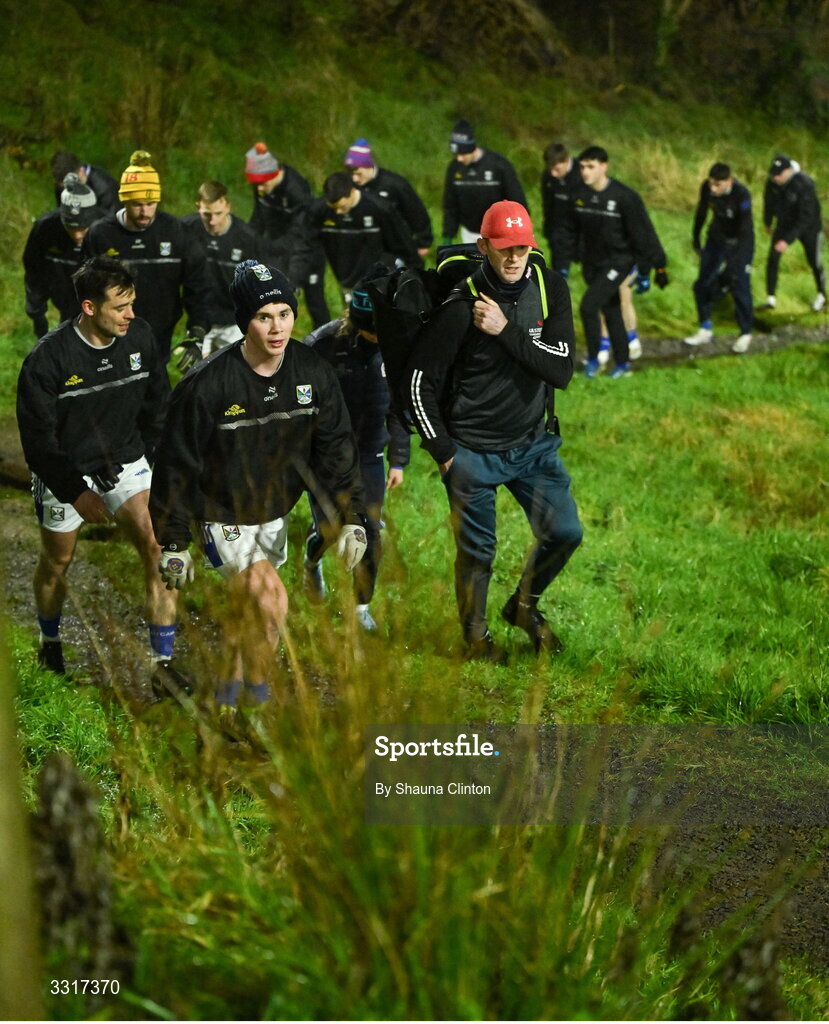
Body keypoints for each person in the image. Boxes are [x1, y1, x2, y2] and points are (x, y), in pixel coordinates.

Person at [149, 260, 367, 717]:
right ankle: (257, 705)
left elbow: (337, 452)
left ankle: (225, 697)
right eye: (263, 316)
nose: (277, 327)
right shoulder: (207, 385)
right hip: (221, 515)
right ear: (244, 321)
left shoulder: (312, 373)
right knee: (271, 600)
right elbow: (175, 464)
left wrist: (352, 519)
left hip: (273, 513)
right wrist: (173, 540)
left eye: (284, 314)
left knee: (250, 611)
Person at [405, 200, 581, 660]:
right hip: (471, 451)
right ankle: (475, 639)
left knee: (566, 532)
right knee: (478, 553)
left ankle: (524, 607)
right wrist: (445, 452)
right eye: (503, 248)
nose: (513, 257)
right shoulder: (461, 306)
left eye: (522, 247)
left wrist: (504, 330)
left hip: (531, 446)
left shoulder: (549, 289)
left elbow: (561, 370)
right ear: (483, 246)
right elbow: (418, 382)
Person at [16, 256, 181, 692]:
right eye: (120, 307)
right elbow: (38, 444)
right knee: (58, 561)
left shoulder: (141, 337)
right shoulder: (47, 361)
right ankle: (49, 641)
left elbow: (157, 410)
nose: (131, 315)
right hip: (66, 471)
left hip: (125, 460)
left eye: (132, 304)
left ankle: (162, 664)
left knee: (157, 546)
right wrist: (75, 492)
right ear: (89, 308)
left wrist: (158, 464)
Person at [301, 282, 410, 632]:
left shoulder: (398, 347)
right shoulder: (322, 345)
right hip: (325, 453)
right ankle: (311, 559)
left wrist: (398, 458)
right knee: (332, 529)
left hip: (368, 453)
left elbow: (400, 405)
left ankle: (361, 606)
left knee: (371, 533)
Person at [83, 151, 212, 363]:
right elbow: (85, 289)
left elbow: (198, 285)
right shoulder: (100, 235)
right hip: (111, 338)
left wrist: (197, 332)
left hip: (158, 337)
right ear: (124, 201)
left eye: (150, 204)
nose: (145, 212)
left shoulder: (176, 232)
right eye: (137, 204)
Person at [570, 146, 669, 377]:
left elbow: (643, 233)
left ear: (604, 166)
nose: (585, 172)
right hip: (592, 264)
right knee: (612, 310)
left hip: (618, 262)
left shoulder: (624, 197)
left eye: (591, 167)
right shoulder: (580, 196)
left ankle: (594, 359)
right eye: (582, 167)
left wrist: (653, 267)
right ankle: (623, 364)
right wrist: (568, 257)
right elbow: (571, 229)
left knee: (588, 306)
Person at [542, 143, 642, 365]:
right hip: (593, 254)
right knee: (606, 301)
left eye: (557, 168)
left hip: (619, 255)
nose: (552, 173)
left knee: (618, 299)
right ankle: (611, 348)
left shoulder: (598, 187)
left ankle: (627, 340)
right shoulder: (553, 180)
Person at [181, 181, 270, 355]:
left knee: (234, 376)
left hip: (233, 322)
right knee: (201, 377)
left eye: (218, 213)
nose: (213, 221)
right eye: (206, 214)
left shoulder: (247, 238)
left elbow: (260, 282)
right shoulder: (185, 229)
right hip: (200, 320)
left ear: (228, 207)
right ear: (198, 206)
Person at [245, 142, 327, 327]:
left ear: (274, 175)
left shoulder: (297, 191)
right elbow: (257, 220)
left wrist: (293, 278)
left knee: (315, 302)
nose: (259, 190)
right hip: (276, 245)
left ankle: (324, 347)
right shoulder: (261, 184)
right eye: (256, 184)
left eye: (263, 184)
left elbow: (302, 238)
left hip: (308, 249)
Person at [306, 171, 418, 295]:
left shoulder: (381, 208)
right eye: (334, 207)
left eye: (342, 207)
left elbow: (404, 244)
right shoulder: (319, 210)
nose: (337, 212)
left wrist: (416, 275)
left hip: (382, 280)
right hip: (347, 281)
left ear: (352, 191)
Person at [684, 162, 754, 354]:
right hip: (716, 237)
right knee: (702, 283)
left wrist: (736, 260)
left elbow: (745, 229)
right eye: (711, 184)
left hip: (740, 241)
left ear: (728, 181)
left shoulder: (742, 194)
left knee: (739, 283)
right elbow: (701, 211)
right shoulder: (707, 188)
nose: (713, 189)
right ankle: (705, 327)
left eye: (718, 185)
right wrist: (696, 238)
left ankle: (745, 332)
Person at [23, 173, 100, 339]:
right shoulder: (45, 228)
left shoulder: (107, 230)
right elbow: (33, 271)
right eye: (71, 228)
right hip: (65, 301)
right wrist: (37, 314)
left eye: (83, 228)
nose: (78, 235)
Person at [442, 120, 528, 244]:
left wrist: (522, 230)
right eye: (456, 154)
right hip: (470, 234)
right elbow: (450, 204)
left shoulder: (499, 165)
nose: (459, 158)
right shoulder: (454, 168)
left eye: (463, 154)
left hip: (498, 233)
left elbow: (517, 199)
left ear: (471, 148)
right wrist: (448, 236)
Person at [344, 138, 433, 256]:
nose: (355, 179)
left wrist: (423, 242)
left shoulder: (395, 184)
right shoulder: (351, 186)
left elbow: (416, 211)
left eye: (358, 174)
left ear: (369, 165)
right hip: (366, 250)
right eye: (352, 174)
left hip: (397, 248)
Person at [760, 154, 826, 313]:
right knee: (773, 257)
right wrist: (768, 222)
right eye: (773, 174)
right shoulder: (772, 182)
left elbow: (806, 217)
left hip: (809, 226)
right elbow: (768, 202)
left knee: (814, 261)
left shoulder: (804, 184)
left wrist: (787, 241)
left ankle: (822, 295)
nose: (776, 178)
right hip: (785, 223)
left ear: (789, 171)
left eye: (779, 174)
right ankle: (770, 298)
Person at [50, 151, 119, 213]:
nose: (70, 192)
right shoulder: (62, 187)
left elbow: (113, 222)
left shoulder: (105, 190)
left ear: (81, 172)